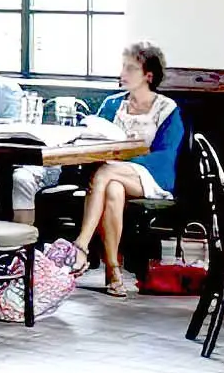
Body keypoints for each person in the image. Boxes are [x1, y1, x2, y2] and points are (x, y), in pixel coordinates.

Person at [60, 42, 183, 298]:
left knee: (106, 173)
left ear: (148, 75)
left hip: (151, 176)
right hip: (114, 176)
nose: (122, 74)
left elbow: (167, 154)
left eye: (130, 68)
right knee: (113, 189)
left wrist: (127, 159)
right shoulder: (111, 105)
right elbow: (93, 140)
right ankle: (113, 272)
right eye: (122, 67)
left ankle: (81, 245)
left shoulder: (168, 109)